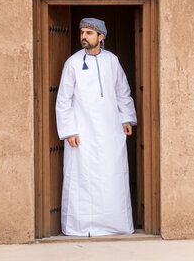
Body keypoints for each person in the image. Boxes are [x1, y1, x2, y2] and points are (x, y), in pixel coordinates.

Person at [55, 17, 137, 236]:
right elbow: (63, 100)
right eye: (82, 33)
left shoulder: (112, 60)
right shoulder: (72, 63)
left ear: (101, 37)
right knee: (83, 177)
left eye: (89, 33)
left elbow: (122, 91)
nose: (84, 37)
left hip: (110, 131)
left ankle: (115, 225)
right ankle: (81, 226)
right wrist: (69, 131)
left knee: (112, 176)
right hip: (83, 132)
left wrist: (126, 118)